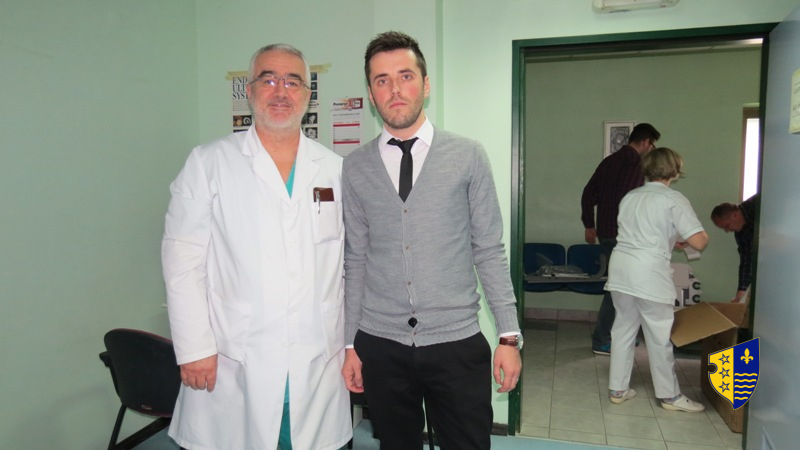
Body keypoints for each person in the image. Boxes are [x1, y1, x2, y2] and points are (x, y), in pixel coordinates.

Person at [161, 43, 351, 450]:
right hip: (234, 354)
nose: (280, 91)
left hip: (317, 354)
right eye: (268, 80)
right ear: (249, 91)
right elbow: (182, 262)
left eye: (293, 82)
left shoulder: (336, 170)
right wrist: (194, 348)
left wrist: (353, 345)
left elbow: (350, 265)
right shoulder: (208, 163)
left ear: (307, 95)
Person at [340, 31, 522, 450]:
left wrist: (509, 336)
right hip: (380, 344)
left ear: (425, 85)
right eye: (382, 80)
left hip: (455, 342)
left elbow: (488, 250)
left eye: (405, 76)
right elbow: (356, 259)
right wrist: (350, 343)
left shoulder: (467, 155)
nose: (395, 89)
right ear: (371, 93)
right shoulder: (355, 167)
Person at [605, 147, 709, 412]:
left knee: (623, 328)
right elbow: (699, 241)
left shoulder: (630, 197)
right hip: (649, 272)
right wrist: (692, 238)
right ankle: (670, 396)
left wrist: (671, 240)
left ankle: (618, 389)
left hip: (621, 268)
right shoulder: (673, 199)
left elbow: (642, 232)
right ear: (675, 170)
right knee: (659, 334)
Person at [580, 122, 661, 355]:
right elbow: (633, 203)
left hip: (606, 233)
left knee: (622, 288)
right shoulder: (637, 166)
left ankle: (621, 336)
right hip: (625, 237)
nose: (651, 150)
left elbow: (588, 194)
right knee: (618, 289)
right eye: (652, 145)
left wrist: (589, 224)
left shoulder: (609, 162)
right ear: (645, 142)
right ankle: (602, 340)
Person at [711, 194, 759, 303]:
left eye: (727, 226)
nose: (727, 231)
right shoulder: (740, 233)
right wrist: (741, 293)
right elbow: (746, 260)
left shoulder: (758, 203)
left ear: (735, 215)